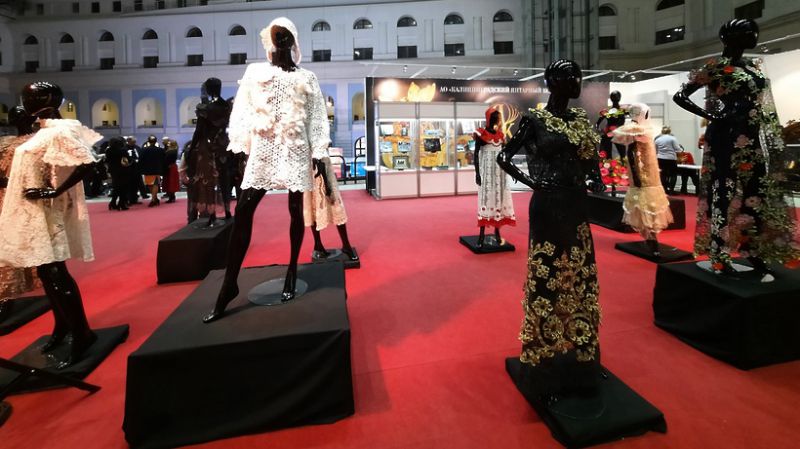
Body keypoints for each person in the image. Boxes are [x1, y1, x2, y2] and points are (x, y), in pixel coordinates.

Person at [204, 17, 330, 323]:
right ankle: (229, 283)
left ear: (294, 40)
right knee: (244, 210)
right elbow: (243, 110)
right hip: (264, 149)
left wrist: (318, 151)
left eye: (286, 35)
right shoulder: (255, 72)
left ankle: (292, 270)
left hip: (296, 148)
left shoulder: (308, 77)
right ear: (269, 40)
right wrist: (240, 145)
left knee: (295, 211)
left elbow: (316, 116)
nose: (281, 40)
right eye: (277, 35)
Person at [497, 59, 605, 402]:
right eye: (569, 77)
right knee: (547, 277)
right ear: (552, 83)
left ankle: (581, 346)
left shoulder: (580, 119)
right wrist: (533, 183)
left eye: (578, 76)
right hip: (548, 204)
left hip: (576, 203)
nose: (576, 82)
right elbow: (504, 157)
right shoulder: (535, 120)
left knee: (581, 273)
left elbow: (589, 159)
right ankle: (543, 354)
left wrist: (597, 179)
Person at [673, 18, 800, 280]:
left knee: (756, 191)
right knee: (723, 192)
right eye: (747, 32)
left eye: (754, 31)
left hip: (753, 138)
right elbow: (680, 96)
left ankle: (752, 248)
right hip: (726, 137)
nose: (754, 36)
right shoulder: (716, 67)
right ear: (729, 37)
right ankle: (719, 254)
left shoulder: (753, 66)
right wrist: (714, 116)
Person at [0, 82, 102, 368]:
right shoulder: (45, 130)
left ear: (46, 99)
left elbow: (87, 162)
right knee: (47, 273)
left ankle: (82, 333)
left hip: (47, 213)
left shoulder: (60, 130)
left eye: (30, 96)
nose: (24, 100)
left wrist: (53, 191)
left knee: (56, 273)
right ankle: (63, 326)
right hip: (33, 211)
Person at [612, 103, 674, 256]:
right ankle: (651, 237)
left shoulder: (641, 129)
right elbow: (632, 152)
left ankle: (650, 235)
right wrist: (636, 174)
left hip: (649, 171)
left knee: (649, 202)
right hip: (643, 173)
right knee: (646, 201)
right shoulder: (637, 130)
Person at [0, 105, 41, 323]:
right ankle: (6, 291)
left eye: (21, 114)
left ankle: (11, 291)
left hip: (25, 198)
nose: (15, 118)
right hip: (3, 197)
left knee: (21, 241)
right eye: (13, 115)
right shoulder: (4, 142)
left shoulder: (39, 142)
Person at [304, 154, 359, 262]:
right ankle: (319, 245)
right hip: (312, 169)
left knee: (335, 205)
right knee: (314, 206)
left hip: (320, 166)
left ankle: (345, 245)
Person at [474, 105, 515, 247]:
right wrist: (477, 173)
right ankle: (481, 234)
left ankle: (497, 232)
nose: (499, 120)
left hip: (500, 173)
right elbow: (475, 154)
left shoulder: (501, 135)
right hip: (486, 173)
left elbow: (504, 155)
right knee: (485, 200)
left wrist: (510, 169)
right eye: (497, 118)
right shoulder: (481, 134)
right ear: (490, 119)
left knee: (499, 199)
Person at [105, 136, 131, 210]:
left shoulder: (108, 150)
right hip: (123, 170)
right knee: (123, 187)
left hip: (113, 171)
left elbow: (107, 160)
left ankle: (113, 202)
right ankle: (121, 203)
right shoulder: (123, 150)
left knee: (116, 187)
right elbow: (128, 159)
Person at [139, 135, 165, 207]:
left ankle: (154, 199)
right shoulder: (160, 150)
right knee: (155, 184)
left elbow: (140, 160)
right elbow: (163, 159)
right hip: (157, 169)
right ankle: (154, 199)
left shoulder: (143, 150)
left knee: (150, 184)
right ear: (156, 141)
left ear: (148, 141)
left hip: (147, 170)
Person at [654, 126, 680, 194]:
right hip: (671, 159)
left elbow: (655, 151)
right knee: (673, 174)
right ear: (670, 131)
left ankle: (664, 190)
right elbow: (678, 149)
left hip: (660, 158)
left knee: (663, 174)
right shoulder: (672, 138)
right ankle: (671, 190)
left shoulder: (657, 140)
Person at [162, 138, 179, 203]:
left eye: (169, 143)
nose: (168, 144)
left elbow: (166, 160)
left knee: (170, 182)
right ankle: (172, 196)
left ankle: (171, 197)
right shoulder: (174, 150)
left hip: (170, 168)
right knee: (172, 182)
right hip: (173, 167)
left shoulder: (170, 151)